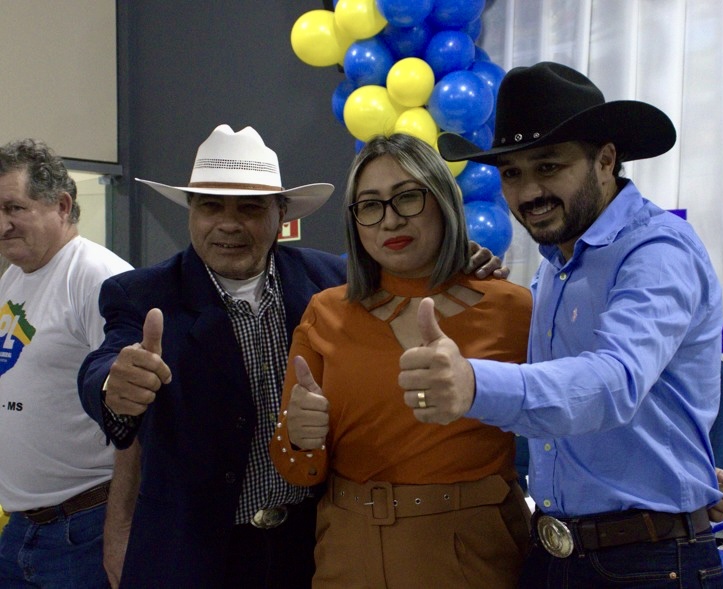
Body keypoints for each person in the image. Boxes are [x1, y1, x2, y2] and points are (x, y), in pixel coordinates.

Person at [76, 124, 504, 588]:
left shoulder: (335, 282)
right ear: (190, 213)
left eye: (251, 208)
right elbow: (106, 362)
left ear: (281, 213)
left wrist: (466, 262)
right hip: (192, 556)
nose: (229, 223)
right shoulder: (141, 295)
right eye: (210, 206)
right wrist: (111, 386)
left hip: (311, 547)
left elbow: (416, 271)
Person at [398, 61, 723, 587]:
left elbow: (613, 381)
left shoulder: (657, 248)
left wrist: (472, 383)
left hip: (647, 565)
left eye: (548, 166)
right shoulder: (556, 267)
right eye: (511, 173)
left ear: (605, 161)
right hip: (559, 554)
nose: (528, 191)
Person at [270, 133, 533, 588]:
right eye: (370, 205)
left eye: (408, 197)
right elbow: (297, 467)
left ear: (443, 200)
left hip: (471, 554)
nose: (390, 220)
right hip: (348, 553)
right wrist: (298, 436)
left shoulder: (514, 309)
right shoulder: (326, 313)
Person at [0, 138, 133, 587]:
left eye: (13, 208)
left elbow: (137, 418)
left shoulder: (97, 277)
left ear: (61, 205)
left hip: (84, 527)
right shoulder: (14, 277)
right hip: (21, 527)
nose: (2, 225)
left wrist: (121, 529)